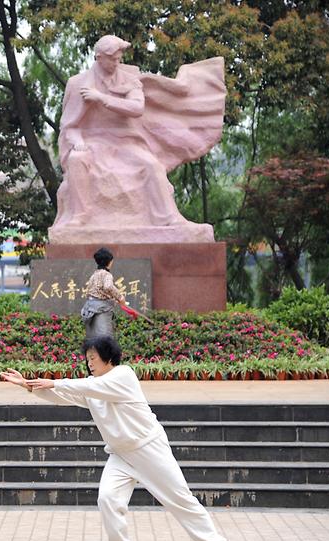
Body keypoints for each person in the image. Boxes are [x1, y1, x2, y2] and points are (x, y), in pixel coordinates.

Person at [0, 335, 236, 541]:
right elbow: (62, 395)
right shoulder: (92, 388)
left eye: (93, 358)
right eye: (87, 359)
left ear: (108, 357)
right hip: (120, 455)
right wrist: (28, 385)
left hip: (149, 449)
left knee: (180, 499)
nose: (89, 363)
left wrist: (56, 381)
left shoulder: (124, 375)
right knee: (108, 498)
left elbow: (81, 386)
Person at [50, 34, 223, 244]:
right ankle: (80, 217)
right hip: (93, 143)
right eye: (112, 58)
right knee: (77, 159)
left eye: (118, 58)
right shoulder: (78, 83)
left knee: (152, 165)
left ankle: (170, 219)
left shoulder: (128, 78)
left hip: (125, 143)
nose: (117, 63)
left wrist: (102, 98)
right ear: (99, 57)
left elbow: (136, 108)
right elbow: (70, 125)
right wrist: (78, 142)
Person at [81, 247, 128, 339]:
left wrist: (113, 299)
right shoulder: (106, 274)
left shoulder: (94, 275)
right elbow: (108, 287)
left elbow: (93, 291)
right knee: (104, 340)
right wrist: (120, 297)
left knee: (93, 340)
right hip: (102, 310)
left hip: (90, 309)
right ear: (109, 262)